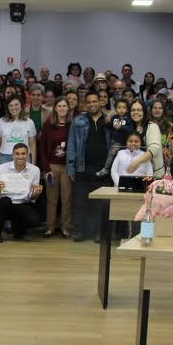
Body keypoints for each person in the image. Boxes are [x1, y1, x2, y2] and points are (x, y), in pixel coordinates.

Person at [67, 91, 111, 242]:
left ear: (100, 102)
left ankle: (99, 233)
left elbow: (125, 124)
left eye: (95, 101)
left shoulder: (109, 118)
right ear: (85, 104)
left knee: (100, 203)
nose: (92, 104)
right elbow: (71, 144)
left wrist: (115, 118)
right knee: (80, 201)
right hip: (82, 167)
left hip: (103, 168)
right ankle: (78, 231)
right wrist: (70, 167)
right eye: (89, 102)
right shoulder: (78, 121)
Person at [0, 143, 43, 243]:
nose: (20, 156)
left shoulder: (35, 170)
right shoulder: (2, 168)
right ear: (13, 155)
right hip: (5, 204)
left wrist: (36, 193)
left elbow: (31, 198)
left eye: (23, 154)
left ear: (28, 155)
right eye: (17, 154)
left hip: (23, 203)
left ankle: (18, 229)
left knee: (34, 220)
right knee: (4, 201)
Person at [40, 96, 72, 238]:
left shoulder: (72, 124)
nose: (62, 108)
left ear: (68, 108)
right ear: (55, 108)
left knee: (66, 199)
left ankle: (65, 227)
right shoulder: (49, 124)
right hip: (52, 165)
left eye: (64, 106)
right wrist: (46, 168)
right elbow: (42, 147)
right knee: (51, 199)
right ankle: (50, 227)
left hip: (67, 167)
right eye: (59, 106)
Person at [0, 95, 38, 173]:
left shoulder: (29, 122)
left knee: (23, 180)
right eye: (11, 105)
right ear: (7, 107)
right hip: (5, 157)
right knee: (5, 180)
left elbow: (33, 144)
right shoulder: (1, 122)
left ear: (21, 106)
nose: (14, 107)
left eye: (16, 104)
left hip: (23, 157)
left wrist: (33, 162)